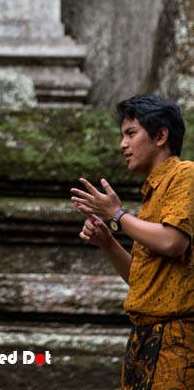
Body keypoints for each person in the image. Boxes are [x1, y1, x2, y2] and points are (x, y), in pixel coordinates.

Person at [70, 94, 194, 390]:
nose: (122, 145)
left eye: (130, 134)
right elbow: (143, 280)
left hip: (177, 340)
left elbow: (173, 243)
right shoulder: (152, 193)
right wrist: (108, 241)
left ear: (161, 135)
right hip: (145, 337)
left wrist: (116, 214)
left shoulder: (185, 174)